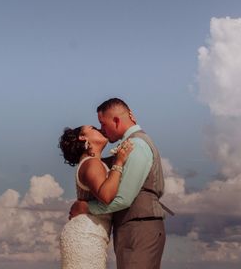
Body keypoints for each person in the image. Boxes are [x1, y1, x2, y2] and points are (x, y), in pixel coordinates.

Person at [69, 98, 168, 269]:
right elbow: (98, 166)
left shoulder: (136, 145)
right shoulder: (127, 147)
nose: (102, 130)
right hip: (133, 227)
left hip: (140, 227)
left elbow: (123, 199)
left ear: (115, 120)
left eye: (102, 124)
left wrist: (87, 207)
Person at [58, 124, 135, 269]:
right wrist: (119, 162)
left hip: (92, 233)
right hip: (86, 234)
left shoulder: (95, 163)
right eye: (93, 128)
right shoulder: (91, 163)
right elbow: (106, 196)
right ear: (83, 138)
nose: (99, 129)